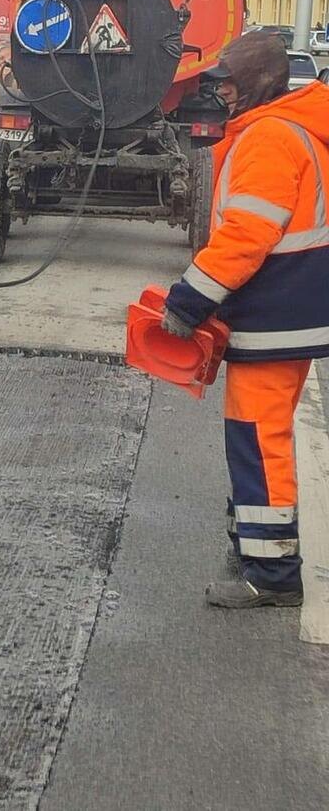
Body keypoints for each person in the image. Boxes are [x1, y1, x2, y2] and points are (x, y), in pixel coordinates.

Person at [162, 30, 329, 608]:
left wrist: (189, 300)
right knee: (258, 435)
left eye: (230, 82)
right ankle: (255, 546)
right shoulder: (296, 127)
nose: (223, 94)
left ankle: (273, 577)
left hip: (276, 311)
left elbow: (247, 234)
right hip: (290, 309)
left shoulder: (268, 138)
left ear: (256, 83)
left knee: (259, 440)